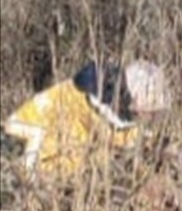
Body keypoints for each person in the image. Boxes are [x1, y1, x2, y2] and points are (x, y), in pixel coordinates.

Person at [2, 59, 172, 184]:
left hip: (46, 149)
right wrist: (152, 141)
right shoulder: (94, 99)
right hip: (21, 144)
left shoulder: (101, 96)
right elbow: (113, 133)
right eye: (150, 112)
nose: (149, 117)